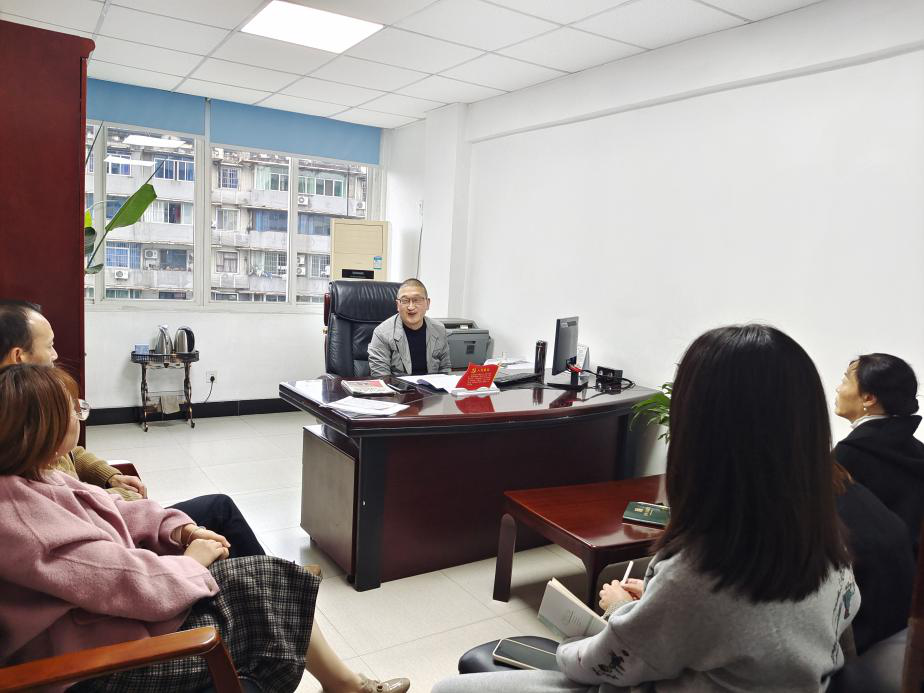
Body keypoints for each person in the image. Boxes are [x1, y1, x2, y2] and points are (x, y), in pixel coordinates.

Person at [434, 324, 858, 693]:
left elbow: (600, 664)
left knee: (447, 689)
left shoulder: (704, 571)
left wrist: (620, 609)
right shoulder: (827, 545)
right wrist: (656, 603)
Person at [0, 363, 410, 693]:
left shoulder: (37, 474)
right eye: (75, 410)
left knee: (262, 578)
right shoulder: (26, 521)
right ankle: (340, 683)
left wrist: (182, 530)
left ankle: (341, 683)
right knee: (264, 588)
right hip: (100, 665)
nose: (80, 417)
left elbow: (114, 510)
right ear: (44, 429)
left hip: (108, 625)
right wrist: (193, 562)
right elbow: (127, 584)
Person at [0, 299, 264, 558]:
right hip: (116, 539)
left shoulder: (21, 414)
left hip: (114, 520)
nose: (55, 355)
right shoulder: (20, 432)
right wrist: (124, 497)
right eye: (49, 346)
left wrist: (109, 477)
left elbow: (69, 455)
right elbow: (79, 508)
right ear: (19, 356)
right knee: (221, 509)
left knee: (211, 514)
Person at [833, 353, 924, 554]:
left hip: (867, 571)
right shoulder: (918, 451)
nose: (838, 388)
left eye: (845, 380)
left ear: (868, 398)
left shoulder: (848, 454)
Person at [367, 278, 451, 378]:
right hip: (398, 388)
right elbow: (381, 378)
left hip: (432, 387)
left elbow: (445, 370)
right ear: (398, 305)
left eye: (417, 300)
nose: (411, 307)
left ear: (427, 303)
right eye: (405, 301)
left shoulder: (439, 330)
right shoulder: (382, 333)